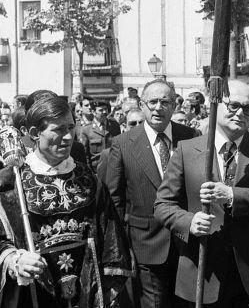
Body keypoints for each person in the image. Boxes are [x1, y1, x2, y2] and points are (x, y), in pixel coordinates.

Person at [154, 80, 249, 307]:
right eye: (233, 105)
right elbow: (163, 204)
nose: (240, 113)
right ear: (215, 105)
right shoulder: (188, 149)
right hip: (202, 270)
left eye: (247, 108)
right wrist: (189, 221)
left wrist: (233, 195)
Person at [0, 94, 133, 307]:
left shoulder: (89, 179)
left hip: (86, 296)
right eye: (58, 129)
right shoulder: (10, 184)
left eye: (71, 127)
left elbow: (111, 242)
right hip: (32, 295)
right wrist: (14, 260)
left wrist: (108, 292)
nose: (68, 137)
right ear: (34, 133)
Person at [106, 79, 195, 308]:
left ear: (175, 105)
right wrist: (121, 248)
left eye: (165, 102)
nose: (158, 107)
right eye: (152, 102)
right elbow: (115, 201)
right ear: (142, 105)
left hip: (188, 243)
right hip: (146, 246)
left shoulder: (192, 137)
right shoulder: (123, 143)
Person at [81, 99, 120, 172]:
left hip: (113, 169)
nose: (105, 112)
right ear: (93, 112)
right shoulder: (86, 130)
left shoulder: (115, 126)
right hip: (96, 171)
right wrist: (90, 172)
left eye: (105, 109)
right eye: (101, 110)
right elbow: (86, 155)